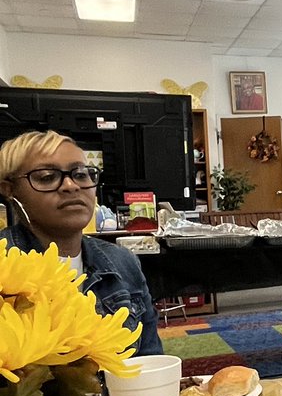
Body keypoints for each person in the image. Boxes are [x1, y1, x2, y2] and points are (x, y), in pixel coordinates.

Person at [0, 129, 162, 355]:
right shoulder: (4, 263)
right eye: (47, 177)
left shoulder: (122, 262)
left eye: (81, 174)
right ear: (9, 189)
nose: (71, 186)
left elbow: (151, 363)